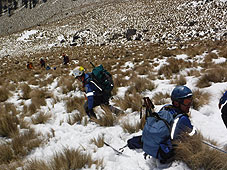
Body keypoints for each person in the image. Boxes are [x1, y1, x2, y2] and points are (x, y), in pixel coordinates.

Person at [143, 85, 197, 168]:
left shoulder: (165, 108)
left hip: (156, 148)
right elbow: (193, 134)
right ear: (176, 103)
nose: (189, 104)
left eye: (190, 101)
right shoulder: (182, 118)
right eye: (186, 102)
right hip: (167, 155)